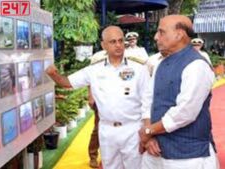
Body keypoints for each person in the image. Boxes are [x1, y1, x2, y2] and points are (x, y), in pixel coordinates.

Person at [46, 26, 151, 169]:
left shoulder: (139, 69)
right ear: (103, 45)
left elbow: (147, 101)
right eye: (113, 42)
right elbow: (67, 83)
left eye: (121, 41)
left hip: (132, 130)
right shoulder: (94, 70)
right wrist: (53, 74)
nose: (118, 45)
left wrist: (147, 130)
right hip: (107, 130)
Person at [138, 15, 220, 169]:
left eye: (161, 32)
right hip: (155, 151)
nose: (156, 37)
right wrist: (148, 138)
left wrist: (148, 130)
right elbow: (148, 101)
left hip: (188, 156)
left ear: (179, 34)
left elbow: (185, 112)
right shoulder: (160, 64)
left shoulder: (197, 66)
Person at [87, 50, 108, 168]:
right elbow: (89, 78)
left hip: (116, 100)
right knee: (98, 128)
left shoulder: (123, 56)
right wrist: (90, 96)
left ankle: (107, 157)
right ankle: (93, 155)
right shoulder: (98, 57)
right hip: (100, 99)